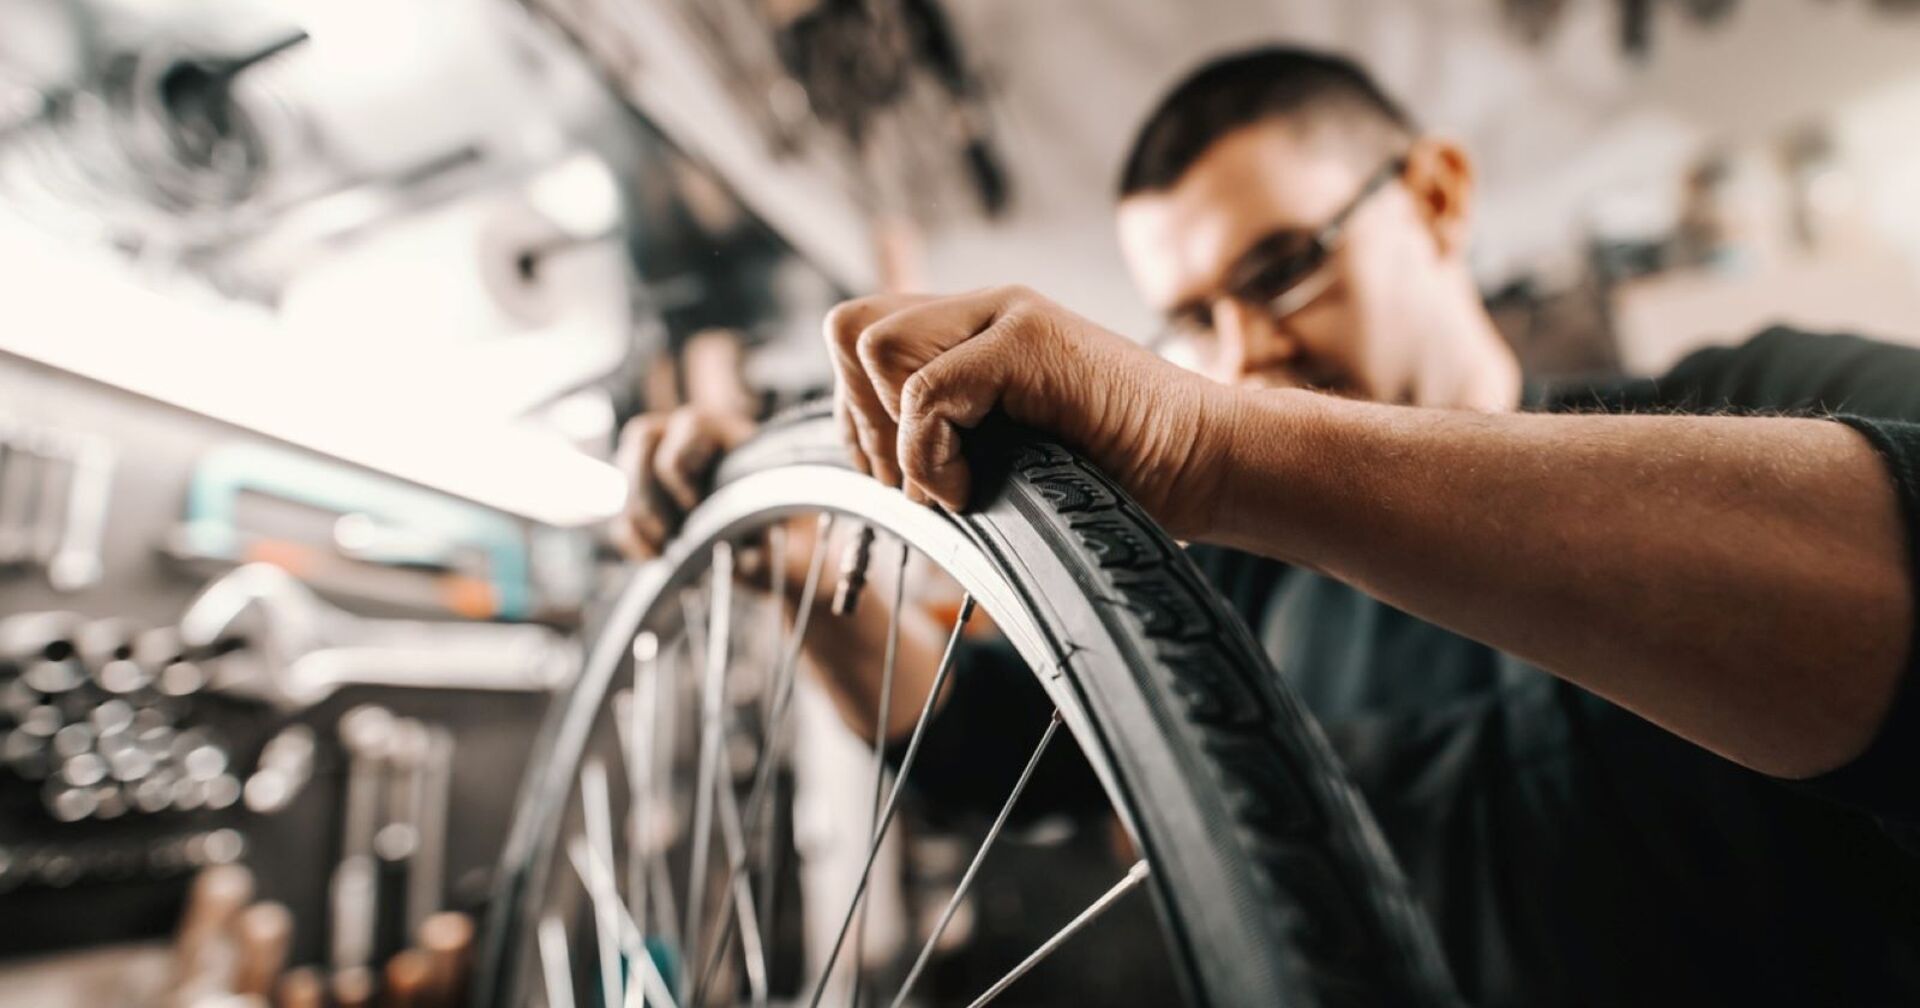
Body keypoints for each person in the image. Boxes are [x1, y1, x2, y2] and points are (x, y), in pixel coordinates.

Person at [618, 47, 1920, 1005]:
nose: (1247, 352)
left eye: (1283, 265)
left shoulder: (1762, 406)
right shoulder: (1247, 586)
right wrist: (794, 575)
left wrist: (1211, 441)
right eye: (1194, 321)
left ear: (1440, 195)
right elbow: (978, 743)